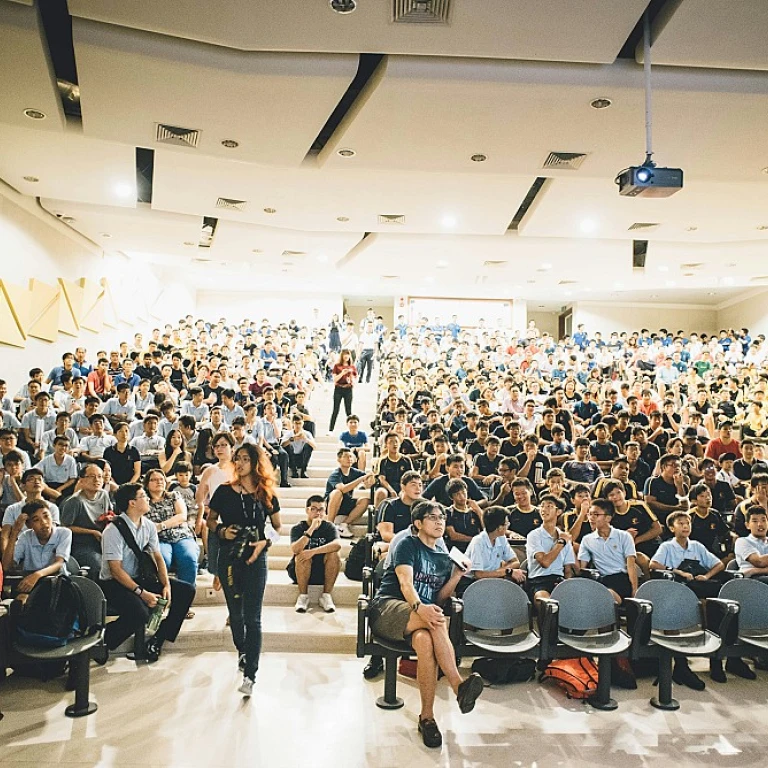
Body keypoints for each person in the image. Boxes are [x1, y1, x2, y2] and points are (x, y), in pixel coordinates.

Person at [369, 500, 484, 748]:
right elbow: (405, 584)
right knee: (436, 619)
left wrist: (456, 576)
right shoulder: (407, 545)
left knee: (424, 641)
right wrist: (420, 607)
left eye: (442, 517)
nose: (439, 521)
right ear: (418, 523)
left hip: (419, 620)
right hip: (387, 608)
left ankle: (427, 717)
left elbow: (439, 597)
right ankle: (457, 684)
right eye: (432, 517)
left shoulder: (443, 557)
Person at [208, 442, 281, 697]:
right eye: (236, 458)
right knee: (236, 615)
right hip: (229, 557)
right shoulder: (224, 491)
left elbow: (277, 526)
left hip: (256, 558)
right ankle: (242, 649)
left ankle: (251, 673)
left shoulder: (266, 493)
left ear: (255, 462)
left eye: (244, 459)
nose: (238, 463)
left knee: (254, 617)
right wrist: (221, 531)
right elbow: (210, 519)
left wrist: (266, 541)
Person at [99, 483, 195, 662]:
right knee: (140, 612)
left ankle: (158, 639)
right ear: (132, 503)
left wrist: (166, 584)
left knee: (185, 590)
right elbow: (116, 570)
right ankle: (104, 641)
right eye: (143, 496)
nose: (148, 499)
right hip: (114, 583)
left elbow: (158, 557)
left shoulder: (148, 525)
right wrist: (142, 594)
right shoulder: (112, 531)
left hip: (139, 577)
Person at [1, 500, 71, 597]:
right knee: (21, 600)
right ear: (29, 525)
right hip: (31, 584)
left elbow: (59, 563)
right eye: (36, 520)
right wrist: (14, 533)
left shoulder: (64, 533)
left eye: (46, 516)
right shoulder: (25, 537)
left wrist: (37, 576)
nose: (44, 523)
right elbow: (6, 566)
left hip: (57, 582)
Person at [144, 469, 199, 592]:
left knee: (189, 558)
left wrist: (160, 526)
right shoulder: (143, 500)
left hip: (181, 535)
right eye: (154, 480)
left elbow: (182, 516)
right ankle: (163, 596)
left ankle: (185, 598)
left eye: (161, 479)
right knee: (163, 561)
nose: (159, 482)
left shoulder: (174, 495)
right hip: (159, 539)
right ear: (147, 484)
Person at [288, 495, 341, 613]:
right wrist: (311, 529)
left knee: (334, 555)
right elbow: (295, 549)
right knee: (301, 556)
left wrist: (312, 552)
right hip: (301, 571)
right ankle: (303, 596)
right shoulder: (298, 528)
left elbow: (337, 545)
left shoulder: (329, 527)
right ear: (307, 510)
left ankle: (326, 596)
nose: (318, 513)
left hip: (323, 571)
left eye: (321, 509)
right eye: (314, 509)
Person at [578, 498, 637, 603]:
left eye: (595, 515)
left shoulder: (624, 536)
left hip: (620, 579)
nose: (591, 518)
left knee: (606, 596)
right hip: (600, 580)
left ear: (608, 518)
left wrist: (635, 590)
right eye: (589, 514)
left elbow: (631, 565)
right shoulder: (587, 539)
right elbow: (583, 567)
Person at [60, 463, 112, 577]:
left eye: (99, 476)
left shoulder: (104, 495)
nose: (96, 480)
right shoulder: (75, 501)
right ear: (82, 481)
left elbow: (110, 516)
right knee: (98, 567)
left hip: (103, 541)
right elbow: (64, 528)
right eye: (92, 476)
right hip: (82, 544)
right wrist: (92, 532)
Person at [525, 494, 576, 606]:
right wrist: (561, 543)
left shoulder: (564, 536)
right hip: (538, 581)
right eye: (542, 506)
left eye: (549, 506)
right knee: (548, 605)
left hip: (559, 580)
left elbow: (568, 569)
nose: (544, 509)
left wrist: (568, 586)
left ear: (558, 512)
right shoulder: (534, 535)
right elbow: (545, 562)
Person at [464, 506, 525, 583]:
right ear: (499, 528)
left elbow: (515, 562)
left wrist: (499, 572)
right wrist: (508, 571)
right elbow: (478, 574)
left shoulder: (501, 538)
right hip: (472, 582)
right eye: (506, 524)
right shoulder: (478, 541)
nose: (507, 526)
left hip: (493, 579)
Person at [325, 448, 376, 538]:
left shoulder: (354, 472)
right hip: (332, 504)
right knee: (337, 492)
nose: (349, 459)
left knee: (365, 500)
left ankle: (344, 525)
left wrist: (370, 477)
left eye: (350, 456)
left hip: (347, 503)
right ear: (339, 460)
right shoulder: (335, 474)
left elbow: (368, 475)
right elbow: (343, 489)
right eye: (346, 456)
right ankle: (329, 526)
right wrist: (361, 479)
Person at [328, 349, 357, 433]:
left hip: (348, 389)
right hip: (338, 389)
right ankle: (330, 430)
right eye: (344, 354)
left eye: (348, 354)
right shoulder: (337, 366)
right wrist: (342, 373)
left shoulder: (352, 367)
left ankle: (351, 429)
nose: (346, 356)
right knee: (335, 410)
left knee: (348, 410)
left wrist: (351, 376)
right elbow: (334, 379)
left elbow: (355, 380)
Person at [281, 414, 316, 479]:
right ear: (293, 424)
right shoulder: (289, 433)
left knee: (308, 445)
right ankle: (294, 471)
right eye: (296, 423)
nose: (298, 425)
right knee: (288, 445)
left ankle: (303, 470)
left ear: (302, 423)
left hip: (302, 458)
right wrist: (292, 439)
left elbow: (315, 447)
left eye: (300, 423)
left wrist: (306, 440)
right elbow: (282, 445)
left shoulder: (307, 433)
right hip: (291, 458)